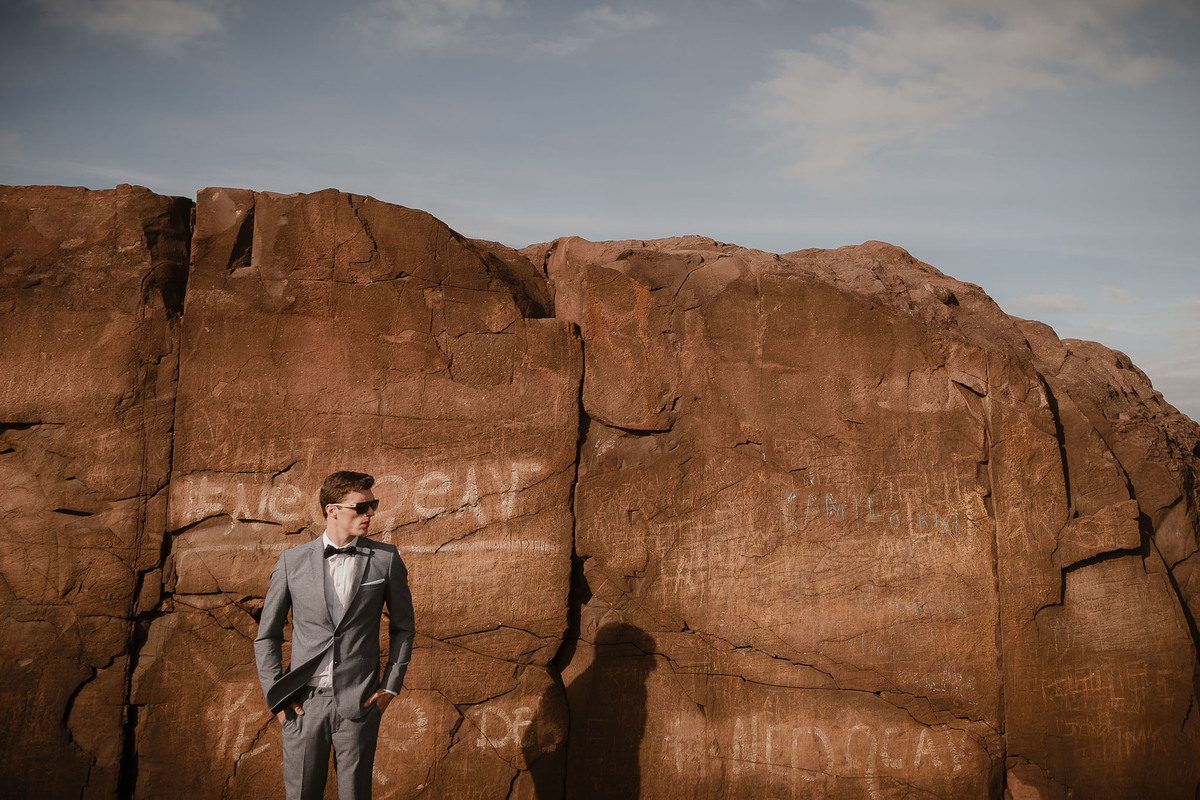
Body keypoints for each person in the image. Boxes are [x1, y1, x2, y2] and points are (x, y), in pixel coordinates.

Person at [254, 470, 415, 800]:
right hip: (302, 703)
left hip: (359, 703)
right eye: (361, 507)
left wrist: (389, 687)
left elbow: (403, 628)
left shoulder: (385, 559)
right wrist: (276, 694)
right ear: (332, 510)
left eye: (374, 505)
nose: (370, 513)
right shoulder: (291, 562)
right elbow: (267, 635)